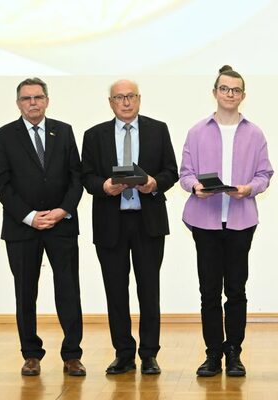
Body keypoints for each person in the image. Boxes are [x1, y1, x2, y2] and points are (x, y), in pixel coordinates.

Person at [180, 65, 274, 377]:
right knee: (209, 291)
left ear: (243, 95)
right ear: (215, 92)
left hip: (240, 221)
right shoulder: (197, 131)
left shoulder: (254, 133)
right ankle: (212, 354)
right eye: (224, 89)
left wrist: (249, 189)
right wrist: (195, 186)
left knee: (236, 290)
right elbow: (185, 173)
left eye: (235, 90)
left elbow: (265, 174)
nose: (230, 94)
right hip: (204, 221)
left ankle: (234, 352)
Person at [81, 79, 178, 375]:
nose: (126, 102)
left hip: (148, 222)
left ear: (139, 99)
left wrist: (154, 183)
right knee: (115, 291)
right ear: (110, 102)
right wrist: (104, 186)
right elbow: (86, 176)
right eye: (119, 97)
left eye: (131, 96)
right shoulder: (94, 135)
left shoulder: (157, 129)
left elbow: (171, 171)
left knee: (149, 290)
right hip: (111, 222)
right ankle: (123, 353)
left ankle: (149, 354)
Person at [0, 77, 86, 376]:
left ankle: (72, 355)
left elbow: (76, 177)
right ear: (18, 103)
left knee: (68, 290)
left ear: (47, 100)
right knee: (25, 292)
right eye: (26, 98)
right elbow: (1, 183)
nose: (32, 103)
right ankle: (31, 354)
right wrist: (30, 216)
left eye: (38, 97)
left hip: (61, 225)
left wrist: (62, 210)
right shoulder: (4, 135)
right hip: (22, 228)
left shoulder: (64, 131)